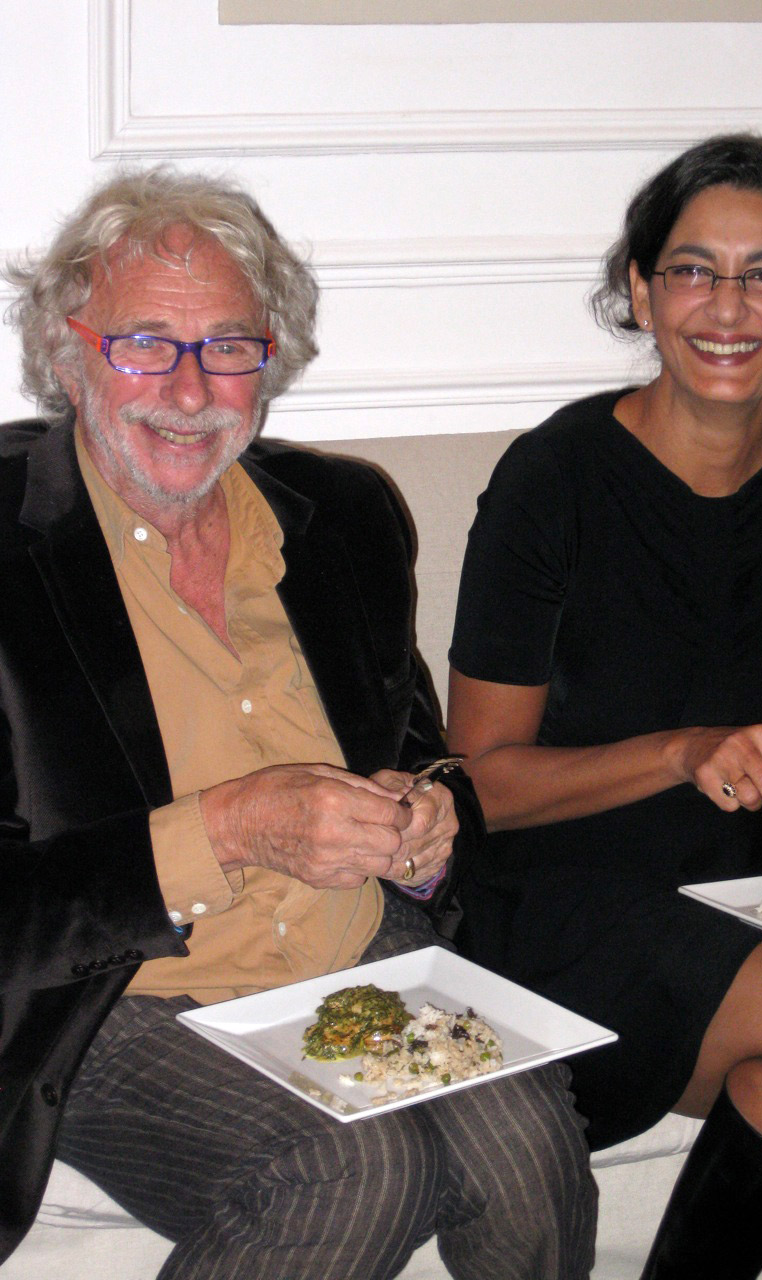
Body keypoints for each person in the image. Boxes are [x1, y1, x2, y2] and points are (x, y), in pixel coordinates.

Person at [0, 168, 597, 1280]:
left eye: (229, 346)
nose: (190, 390)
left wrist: (425, 821)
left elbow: (421, 752)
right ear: (67, 352)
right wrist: (229, 829)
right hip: (119, 994)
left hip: (353, 947)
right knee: (353, 1164)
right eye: (145, 344)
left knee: (527, 1145)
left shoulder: (345, 517)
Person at [446, 134, 762, 1279]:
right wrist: (682, 751)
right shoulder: (553, 479)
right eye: (692, 269)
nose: (728, 306)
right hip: (567, 889)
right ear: (641, 292)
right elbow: (479, 782)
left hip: (758, 868)